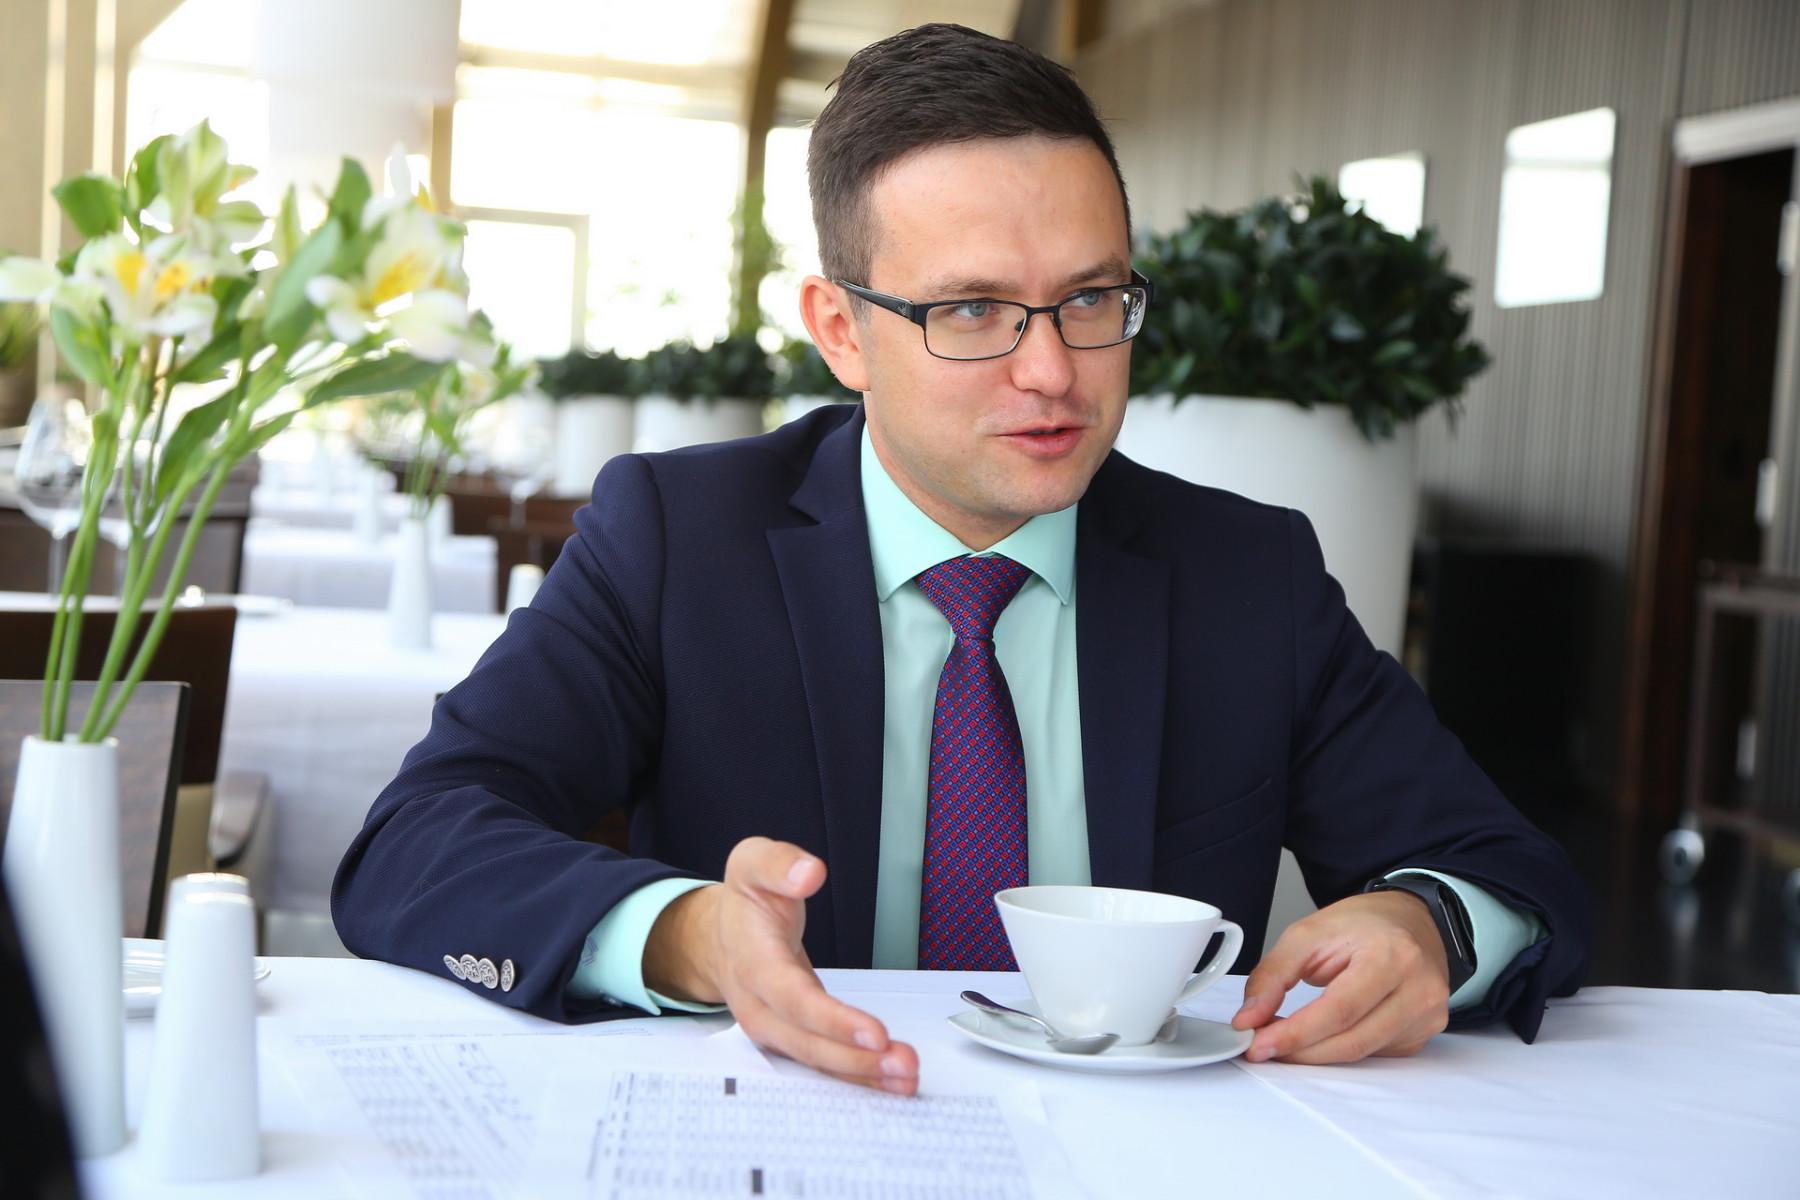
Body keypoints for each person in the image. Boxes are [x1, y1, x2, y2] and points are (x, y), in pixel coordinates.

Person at [334, 23, 1587, 1097]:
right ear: (841, 331)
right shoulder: (678, 540)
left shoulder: (1244, 577)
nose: (1052, 370)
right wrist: (685, 936)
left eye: (1091, 300)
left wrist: (1428, 924)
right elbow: (419, 838)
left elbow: (1510, 869)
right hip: (792, 1131)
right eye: (973, 310)